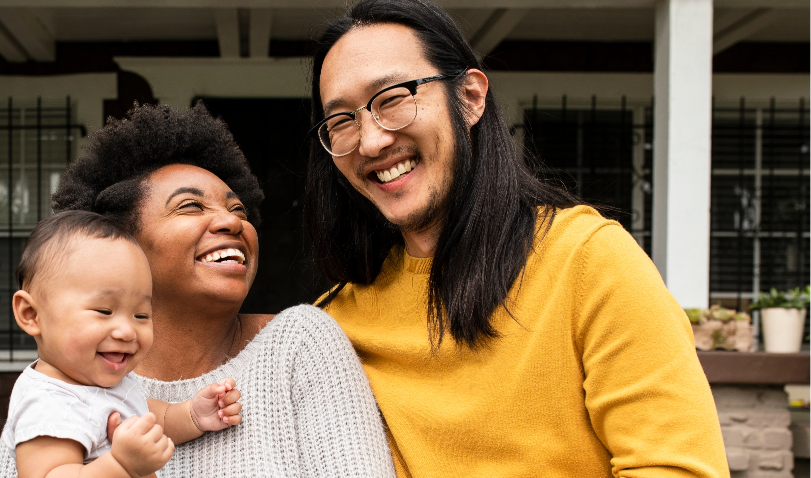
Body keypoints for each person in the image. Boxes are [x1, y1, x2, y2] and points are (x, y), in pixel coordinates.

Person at [303, 0, 729, 477]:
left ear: (470, 96)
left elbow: (677, 468)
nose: (371, 141)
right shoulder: (334, 326)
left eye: (394, 97)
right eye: (341, 120)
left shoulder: (588, 261)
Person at [0, 102, 396, 477]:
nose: (233, 222)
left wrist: (194, 416)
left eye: (238, 210)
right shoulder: (59, 388)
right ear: (122, 244)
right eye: (191, 206)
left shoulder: (300, 345)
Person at [0, 210, 242, 478]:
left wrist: (192, 415)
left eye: (141, 315)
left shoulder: (105, 385)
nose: (126, 331)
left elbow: (149, 420)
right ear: (32, 315)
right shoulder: (48, 403)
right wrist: (121, 466)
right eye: (103, 310)